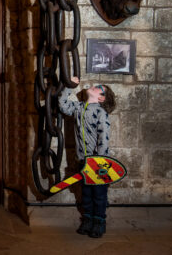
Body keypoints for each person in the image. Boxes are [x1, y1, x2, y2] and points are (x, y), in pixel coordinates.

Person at [58, 76, 116, 238]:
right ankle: (87, 220)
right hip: (82, 161)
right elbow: (63, 105)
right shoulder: (79, 107)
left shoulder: (101, 113)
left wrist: (99, 161)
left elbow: (103, 138)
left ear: (101, 98)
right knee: (86, 194)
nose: (94, 86)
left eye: (99, 88)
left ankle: (99, 222)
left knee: (98, 194)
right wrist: (69, 87)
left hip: (97, 163)